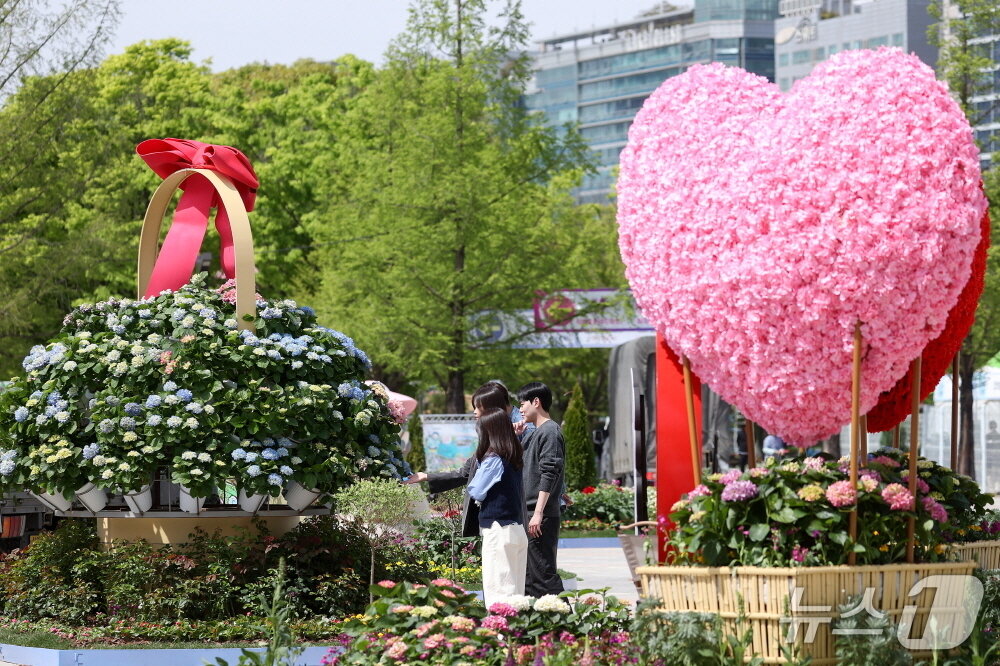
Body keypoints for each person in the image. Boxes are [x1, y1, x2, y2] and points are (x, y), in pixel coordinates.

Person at [403, 381, 525, 537]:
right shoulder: (497, 440)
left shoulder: (515, 436)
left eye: (478, 407)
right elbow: (464, 472)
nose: (474, 412)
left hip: (504, 524)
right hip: (499, 525)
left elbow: (476, 490)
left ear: (492, 409)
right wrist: (426, 476)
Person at [466, 408, 528, 605]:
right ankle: (515, 626)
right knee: (515, 592)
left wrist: (479, 459)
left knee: (499, 592)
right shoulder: (514, 455)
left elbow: (476, 490)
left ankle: (501, 626)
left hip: (498, 530)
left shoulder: (493, 459)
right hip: (516, 529)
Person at [517, 381, 566, 597]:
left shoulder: (550, 431)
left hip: (539, 515)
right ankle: (538, 616)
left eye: (522, 404)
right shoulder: (533, 432)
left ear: (536, 402)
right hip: (530, 512)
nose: (520, 409)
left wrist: (538, 513)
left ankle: (563, 614)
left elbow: (549, 471)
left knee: (543, 574)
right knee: (531, 577)